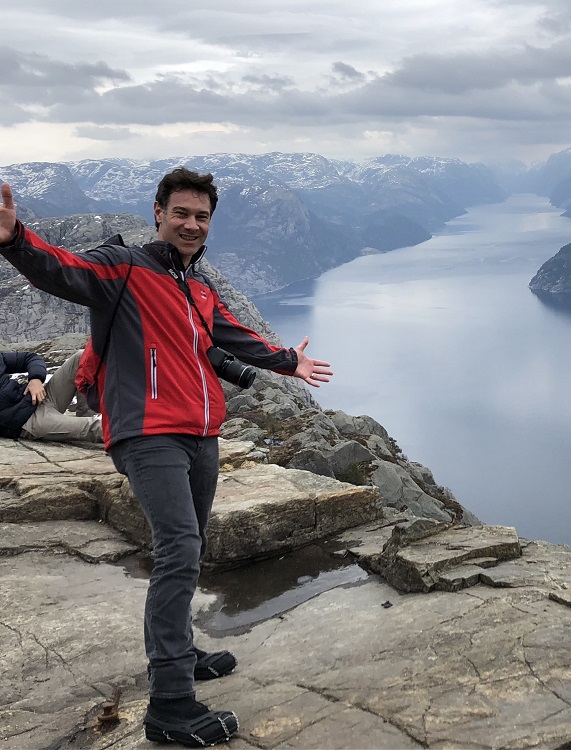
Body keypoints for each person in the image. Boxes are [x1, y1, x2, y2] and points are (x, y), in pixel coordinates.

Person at [0, 168, 333, 747]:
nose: (191, 224)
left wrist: (286, 361)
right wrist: (14, 240)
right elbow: (62, 269)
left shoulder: (197, 288)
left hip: (200, 433)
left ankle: (179, 649)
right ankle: (171, 704)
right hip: (147, 433)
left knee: (191, 545)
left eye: (202, 217)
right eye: (181, 212)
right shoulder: (125, 267)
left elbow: (227, 336)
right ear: (158, 212)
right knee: (179, 548)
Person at [1, 349, 103, 442]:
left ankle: (87, 415)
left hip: (42, 397)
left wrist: (35, 378)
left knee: (83, 357)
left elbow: (30, 357)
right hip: (28, 421)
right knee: (98, 426)